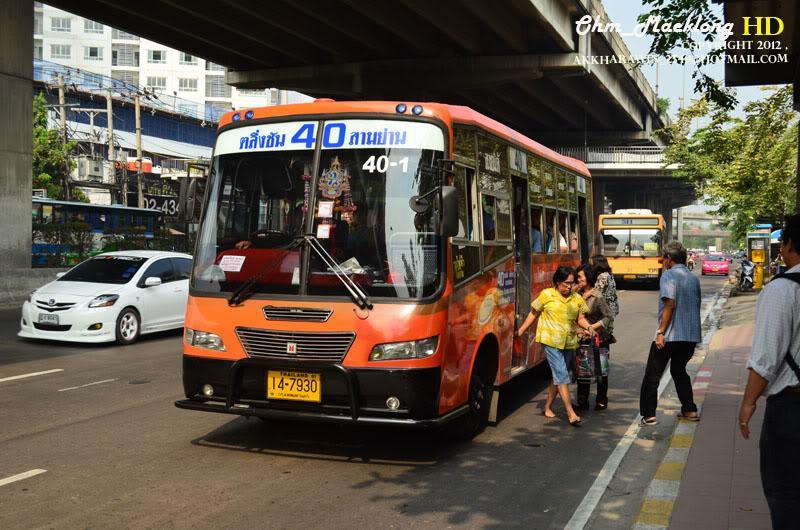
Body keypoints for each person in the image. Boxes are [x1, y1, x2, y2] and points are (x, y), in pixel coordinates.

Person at [738, 214, 800, 529]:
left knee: (786, 492)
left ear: (789, 246)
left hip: (791, 409)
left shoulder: (782, 291)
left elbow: (766, 358)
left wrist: (748, 403)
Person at [517, 266, 596, 426]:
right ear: (557, 282)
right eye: (566, 283)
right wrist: (520, 331)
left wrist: (589, 327)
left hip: (568, 342)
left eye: (571, 283)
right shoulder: (547, 294)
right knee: (562, 375)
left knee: (558, 375)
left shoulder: (576, 298)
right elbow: (534, 313)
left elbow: (580, 318)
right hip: (550, 341)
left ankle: (547, 407)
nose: (569, 287)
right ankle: (570, 413)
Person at [639, 241, 701, 426]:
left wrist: (660, 332)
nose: (662, 261)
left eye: (663, 258)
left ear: (669, 259)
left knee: (652, 374)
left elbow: (670, 304)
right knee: (679, 371)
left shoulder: (668, 275)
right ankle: (689, 409)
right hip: (689, 336)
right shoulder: (693, 278)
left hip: (670, 336)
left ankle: (649, 415)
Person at [575, 265, 614, 411]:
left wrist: (593, 328)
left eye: (580, 277)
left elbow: (608, 317)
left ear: (589, 278)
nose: (577, 280)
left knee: (600, 371)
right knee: (582, 370)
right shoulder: (576, 294)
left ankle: (601, 400)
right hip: (581, 339)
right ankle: (582, 401)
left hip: (599, 339)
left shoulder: (597, 296)